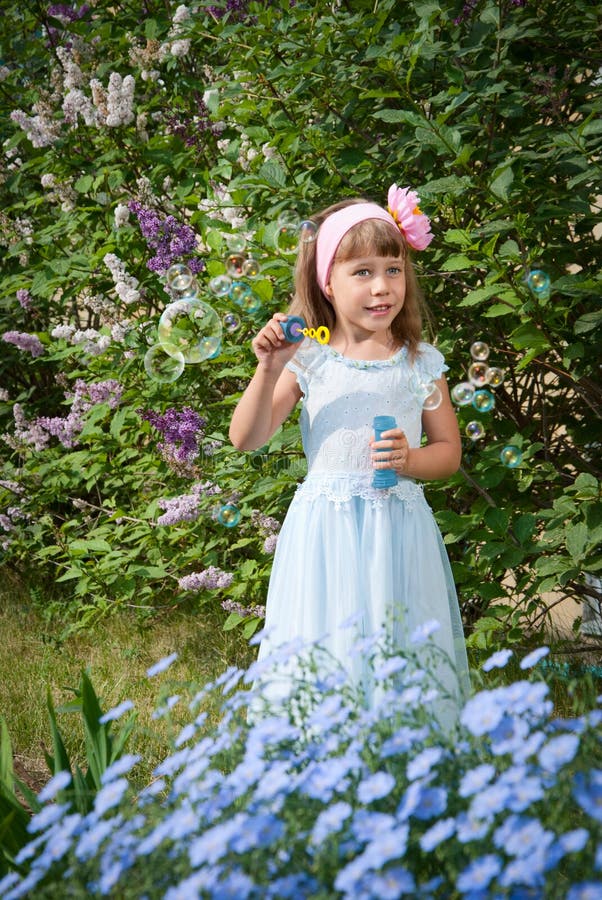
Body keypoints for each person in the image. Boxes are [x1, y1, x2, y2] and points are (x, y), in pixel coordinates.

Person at [229, 184, 470, 715]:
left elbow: (448, 450)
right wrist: (268, 368)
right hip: (326, 535)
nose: (382, 286)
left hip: (398, 533)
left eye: (393, 268)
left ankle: (405, 765)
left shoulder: (420, 361)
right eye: (362, 272)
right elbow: (246, 437)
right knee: (329, 646)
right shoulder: (308, 357)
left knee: (402, 647)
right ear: (328, 284)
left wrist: (411, 460)